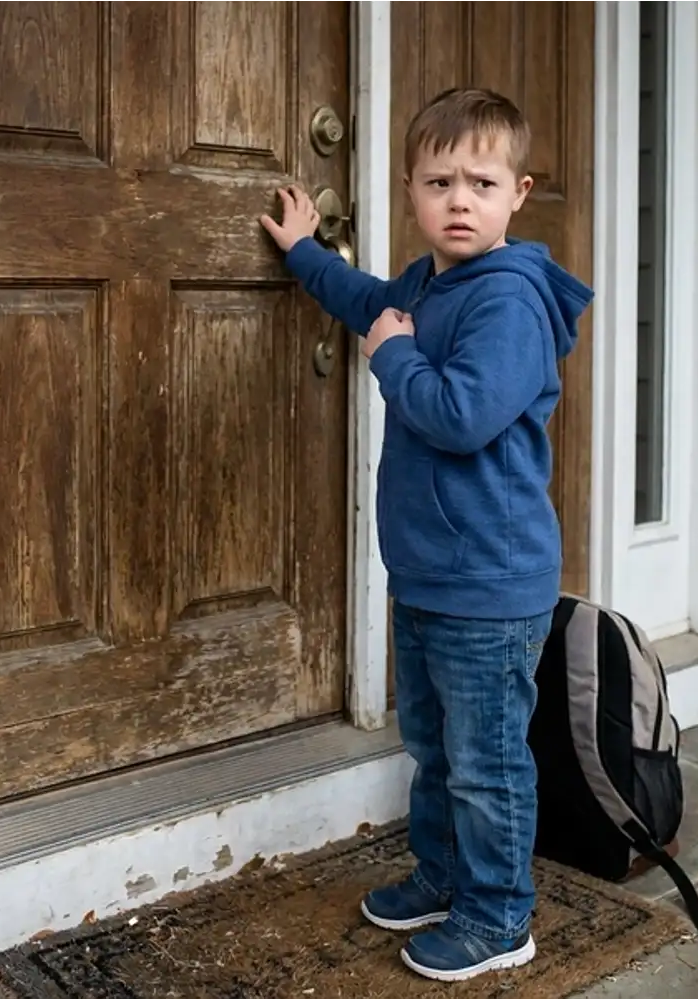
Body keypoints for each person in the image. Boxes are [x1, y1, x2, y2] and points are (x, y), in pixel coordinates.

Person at [259, 87, 593, 983]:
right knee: (438, 749)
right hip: (429, 574)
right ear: (408, 188)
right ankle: (446, 876)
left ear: (518, 194)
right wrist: (304, 253)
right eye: (439, 180)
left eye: (481, 182)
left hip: (492, 580)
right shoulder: (425, 283)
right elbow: (369, 298)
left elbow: (461, 414)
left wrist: (394, 355)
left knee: (486, 763)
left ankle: (498, 915)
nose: (458, 200)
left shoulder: (509, 302)